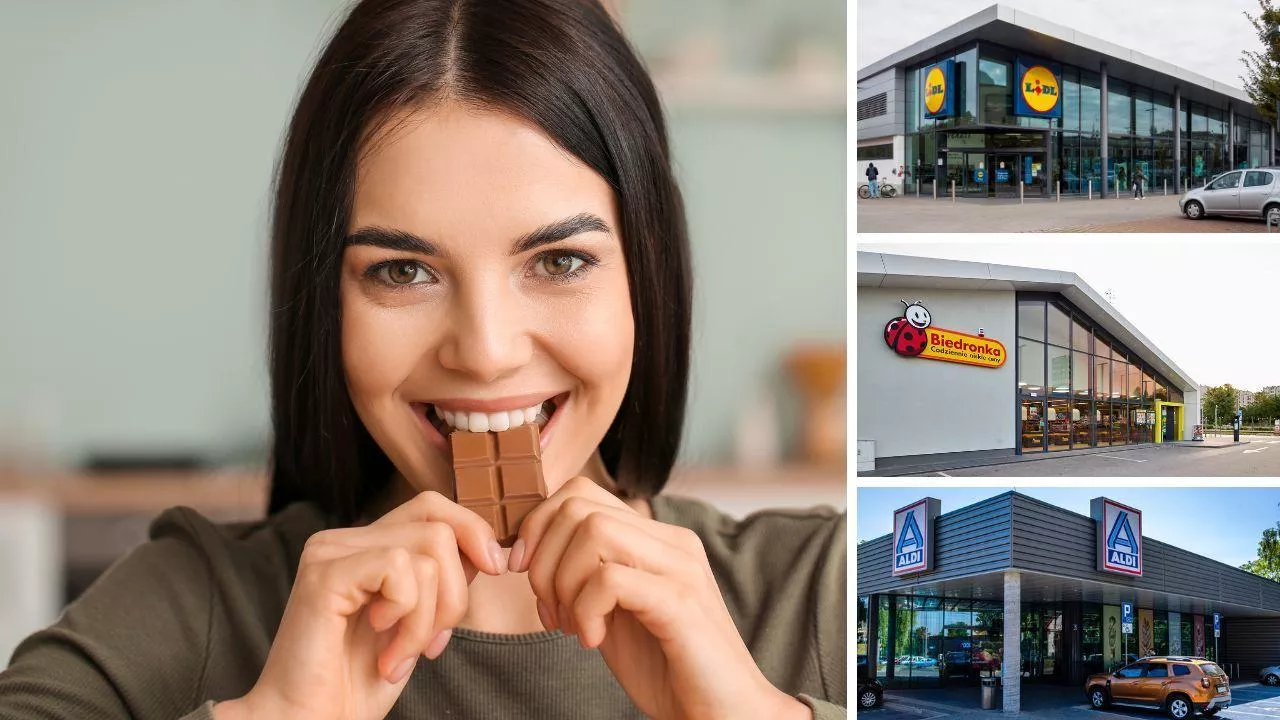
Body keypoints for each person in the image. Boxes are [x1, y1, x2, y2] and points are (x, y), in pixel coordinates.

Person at [0, 1, 846, 719]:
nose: (483, 353)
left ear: (647, 274)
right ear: (324, 299)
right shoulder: (199, 605)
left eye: (558, 262)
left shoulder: (822, 594)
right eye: (403, 271)